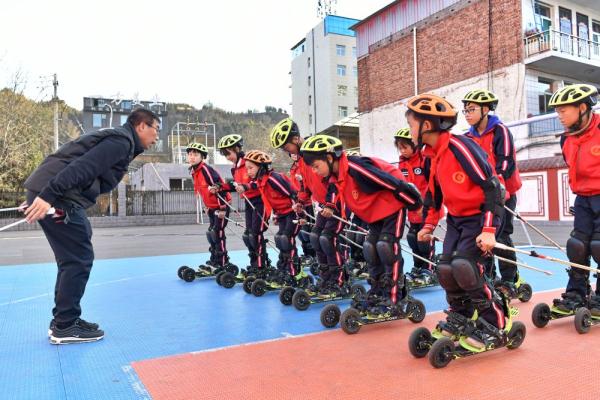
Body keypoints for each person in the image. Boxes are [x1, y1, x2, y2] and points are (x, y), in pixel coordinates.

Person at [23, 108, 160, 344]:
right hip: (60, 196)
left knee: (73, 256)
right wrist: (46, 195)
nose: (157, 136)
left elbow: (71, 160)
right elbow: (82, 167)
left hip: (54, 192)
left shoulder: (119, 139)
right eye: (156, 129)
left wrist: (38, 193)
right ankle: (65, 325)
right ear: (141, 126)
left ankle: (64, 321)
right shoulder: (121, 142)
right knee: (78, 257)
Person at [406, 93, 505, 348]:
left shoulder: (459, 146)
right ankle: (462, 315)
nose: (409, 130)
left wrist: (489, 229)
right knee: (446, 269)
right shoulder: (432, 155)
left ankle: (494, 323)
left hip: (482, 217)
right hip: (457, 220)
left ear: (426, 125)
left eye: (411, 124)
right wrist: (428, 224)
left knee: (465, 266)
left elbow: (493, 188)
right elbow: (434, 195)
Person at [299, 134, 422, 310]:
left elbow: (391, 183)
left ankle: (395, 296)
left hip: (393, 205)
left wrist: (415, 203)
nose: (314, 171)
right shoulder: (335, 177)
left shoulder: (355, 167)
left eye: (316, 166)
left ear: (328, 157)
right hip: (375, 211)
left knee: (386, 247)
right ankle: (378, 290)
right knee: (370, 248)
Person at [270, 119, 345, 292]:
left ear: (296, 140)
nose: (285, 150)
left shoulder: (314, 154)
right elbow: (305, 187)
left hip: (337, 204)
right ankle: (326, 278)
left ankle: (340, 280)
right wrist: (300, 203)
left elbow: (335, 181)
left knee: (327, 239)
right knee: (315, 238)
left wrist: (331, 204)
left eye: (285, 146)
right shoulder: (301, 162)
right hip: (323, 207)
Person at [461, 89, 523, 293]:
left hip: (504, 193)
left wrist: (498, 188)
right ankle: (488, 275)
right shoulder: (467, 137)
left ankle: (510, 279)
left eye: (471, 109)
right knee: (483, 237)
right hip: (482, 196)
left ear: (485, 109)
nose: (467, 113)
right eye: (465, 110)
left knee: (501, 237)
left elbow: (506, 162)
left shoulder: (500, 131)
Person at [549, 84, 600, 314]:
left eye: (563, 110)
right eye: (557, 111)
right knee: (577, 246)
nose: (559, 115)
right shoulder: (566, 139)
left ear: (582, 108)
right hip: (583, 199)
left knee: (599, 246)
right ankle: (577, 293)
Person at [212, 134, 271, 273]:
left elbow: (260, 181)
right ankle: (255, 264)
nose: (227, 157)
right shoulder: (235, 167)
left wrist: (246, 187)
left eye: (228, 153)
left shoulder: (249, 162)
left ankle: (262, 266)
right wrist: (220, 186)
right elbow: (235, 185)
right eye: (224, 154)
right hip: (249, 202)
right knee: (248, 235)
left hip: (260, 201)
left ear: (237, 148)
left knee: (256, 234)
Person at [243, 150, 302, 281]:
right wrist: (275, 215)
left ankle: (294, 272)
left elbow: (292, 193)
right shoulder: (261, 181)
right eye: (247, 168)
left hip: (292, 213)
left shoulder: (273, 178)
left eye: (251, 168)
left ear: (262, 167)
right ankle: (283, 268)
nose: (248, 172)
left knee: (286, 239)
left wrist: (297, 209)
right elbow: (268, 199)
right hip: (282, 214)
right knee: (280, 239)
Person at [395, 127, 439, 284]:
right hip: (413, 208)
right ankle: (418, 267)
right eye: (399, 148)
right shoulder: (402, 164)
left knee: (424, 238)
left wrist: (428, 205)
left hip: (428, 206)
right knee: (412, 237)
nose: (402, 151)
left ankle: (430, 268)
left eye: (404, 147)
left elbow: (433, 184)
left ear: (415, 145)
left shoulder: (424, 159)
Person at [186, 142, 233, 272]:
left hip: (221, 206)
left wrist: (223, 208)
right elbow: (202, 191)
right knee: (211, 233)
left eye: (195, 154)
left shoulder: (205, 170)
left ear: (203, 157)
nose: (192, 157)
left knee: (218, 232)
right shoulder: (194, 171)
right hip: (211, 207)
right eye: (190, 154)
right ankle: (214, 259)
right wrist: (206, 206)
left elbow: (220, 186)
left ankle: (223, 262)